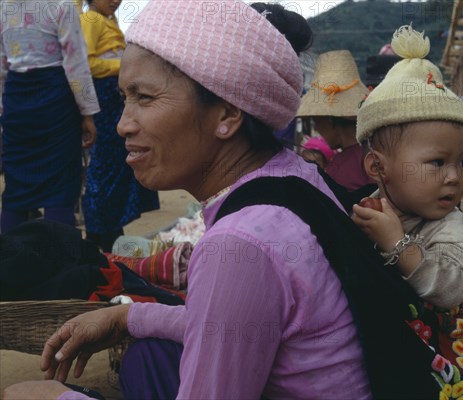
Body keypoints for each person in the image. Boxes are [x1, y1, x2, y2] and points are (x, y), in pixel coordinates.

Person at [2, 1, 371, 399]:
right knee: (148, 357)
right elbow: (221, 324)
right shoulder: (297, 176)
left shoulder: (238, 243)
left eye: (144, 97)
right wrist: (128, 315)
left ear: (227, 115)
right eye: (124, 97)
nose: (124, 123)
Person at [352, 25, 463, 399]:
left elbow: (450, 289)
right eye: (437, 162)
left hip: (456, 367)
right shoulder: (374, 206)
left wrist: (398, 245)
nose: (455, 177)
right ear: (378, 168)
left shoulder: (449, 225)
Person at [0, 0, 99, 233]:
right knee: (60, 187)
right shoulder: (61, 5)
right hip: (55, 102)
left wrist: (4, 114)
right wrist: (88, 113)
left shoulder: (4, 7)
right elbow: (76, 63)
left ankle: (7, 262)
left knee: (16, 188)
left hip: (17, 101)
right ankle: (61, 263)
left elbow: (1, 68)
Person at [80, 0, 159, 252]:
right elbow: (87, 63)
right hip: (103, 102)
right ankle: (98, 232)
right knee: (104, 168)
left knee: (115, 166)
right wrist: (122, 65)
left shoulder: (108, 21)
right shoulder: (91, 20)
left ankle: (110, 227)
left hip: (114, 102)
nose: (115, 1)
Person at [297, 50, 372, 191]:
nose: (317, 129)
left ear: (330, 120)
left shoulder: (341, 169)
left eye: (316, 122)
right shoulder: (377, 150)